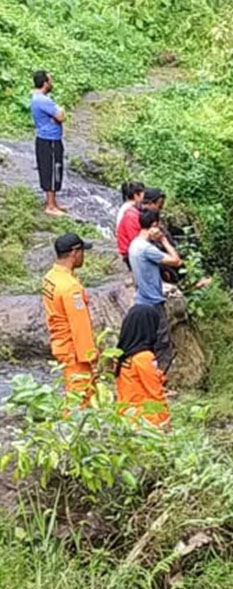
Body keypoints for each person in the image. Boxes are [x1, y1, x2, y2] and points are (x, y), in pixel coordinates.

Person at [42, 233, 96, 397]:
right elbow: (79, 325)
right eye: (82, 252)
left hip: (60, 344)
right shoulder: (71, 288)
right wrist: (90, 355)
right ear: (74, 253)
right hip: (74, 351)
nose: (83, 256)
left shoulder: (50, 277)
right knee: (79, 396)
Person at [128, 209, 182, 373]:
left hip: (140, 299)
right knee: (162, 342)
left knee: (147, 342)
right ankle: (159, 381)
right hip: (152, 302)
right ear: (154, 225)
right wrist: (164, 240)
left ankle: (146, 378)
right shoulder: (146, 249)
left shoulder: (134, 244)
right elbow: (176, 261)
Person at [115, 305, 170, 428]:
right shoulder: (144, 357)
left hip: (125, 418)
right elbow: (155, 393)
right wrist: (165, 421)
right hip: (145, 421)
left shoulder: (123, 355)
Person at [30, 71, 66, 217]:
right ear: (45, 83)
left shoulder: (40, 98)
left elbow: (57, 117)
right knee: (50, 170)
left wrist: (56, 116)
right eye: (50, 80)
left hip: (50, 139)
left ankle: (54, 203)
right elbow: (61, 116)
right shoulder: (43, 101)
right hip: (48, 140)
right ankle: (50, 206)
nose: (52, 83)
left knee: (54, 169)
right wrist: (60, 112)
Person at [117, 187, 164, 263]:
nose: (160, 209)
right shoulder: (132, 216)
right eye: (160, 206)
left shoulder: (145, 213)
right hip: (131, 254)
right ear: (150, 203)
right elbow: (136, 243)